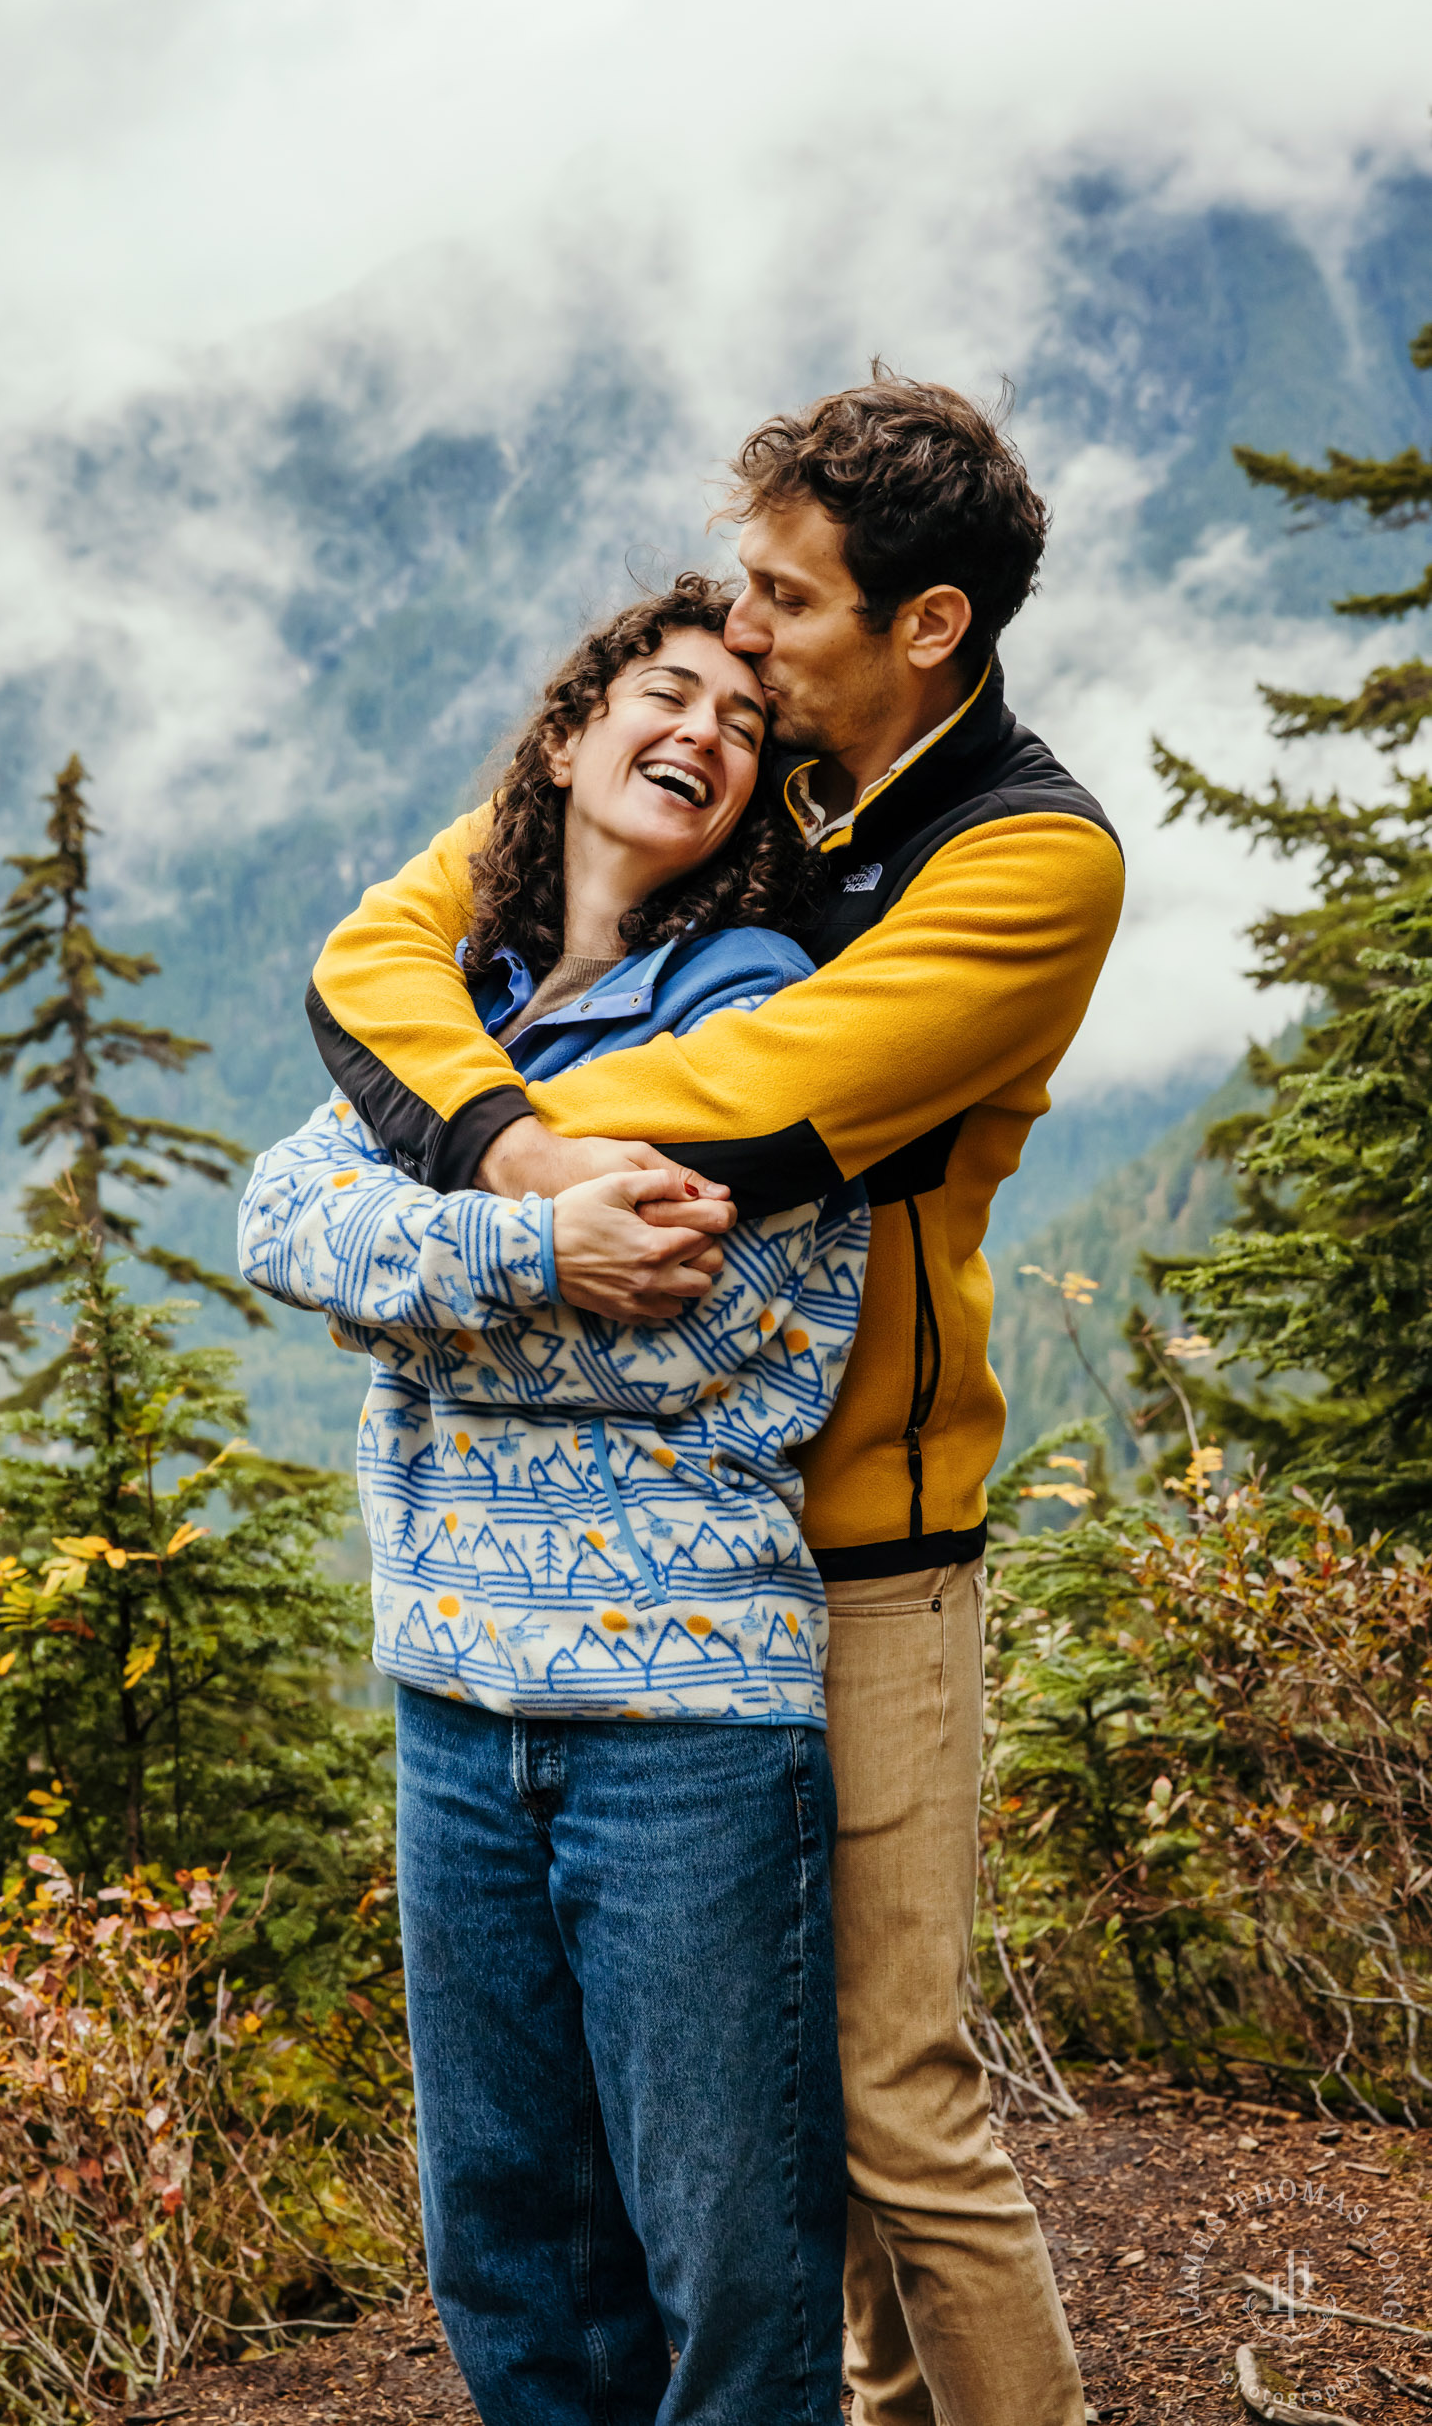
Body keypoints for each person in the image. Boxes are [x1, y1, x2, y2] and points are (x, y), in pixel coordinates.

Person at [305, 367, 1125, 2426]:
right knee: (775, 2126)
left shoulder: (1031, 860)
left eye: (782, 601)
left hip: (864, 1553)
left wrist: (418, 1159)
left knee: (894, 2102)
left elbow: (744, 1107)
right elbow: (379, 954)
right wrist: (489, 1163)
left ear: (927, 622)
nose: (736, 638)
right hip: (681, 1577)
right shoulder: (762, 789)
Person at [239, 578, 871, 2425]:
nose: (706, 733)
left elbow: (711, 1331)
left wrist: (419, 1277)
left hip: (682, 1706)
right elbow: (279, 1219)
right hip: (451, 1691)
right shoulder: (471, 1000)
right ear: (576, 732)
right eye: (666, 694)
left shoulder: (759, 1011)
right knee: (507, 2251)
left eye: (747, 727)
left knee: (732, 2268)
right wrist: (531, 1248)